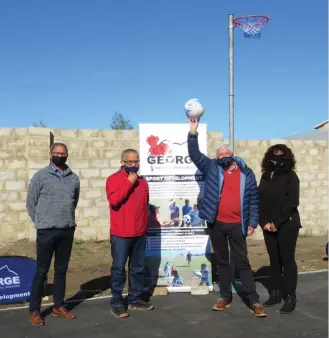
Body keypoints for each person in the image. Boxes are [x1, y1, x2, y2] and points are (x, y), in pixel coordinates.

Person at [187, 118, 266, 317]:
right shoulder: (212, 168)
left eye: (226, 154)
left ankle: (254, 301)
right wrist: (193, 131)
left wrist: (252, 223)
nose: (223, 156)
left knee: (243, 262)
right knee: (222, 262)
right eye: (220, 154)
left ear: (232, 155)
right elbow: (194, 154)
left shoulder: (246, 174)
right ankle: (225, 296)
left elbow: (254, 201)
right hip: (218, 225)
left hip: (238, 225)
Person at [26, 142, 80, 326]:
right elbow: (30, 202)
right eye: (56, 152)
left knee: (61, 270)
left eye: (63, 153)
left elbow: (74, 201)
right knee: (41, 271)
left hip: (66, 230)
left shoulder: (74, 178)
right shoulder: (40, 176)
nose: (59, 155)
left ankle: (58, 306)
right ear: (50, 154)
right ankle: (34, 310)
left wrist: (65, 219)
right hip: (46, 231)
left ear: (67, 155)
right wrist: (41, 222)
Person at [106, 149, 154, 319]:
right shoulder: (113, 179)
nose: (134, 165)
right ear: (122, 163)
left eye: (136, 162)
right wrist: (128, 183)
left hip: (139, 233)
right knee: (119, 269)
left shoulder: (143, 183)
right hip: (120, 234)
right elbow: (114, 200)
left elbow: (144, 206)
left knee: (137, 269)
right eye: (130, 162)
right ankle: (117, 303)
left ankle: (135, 299)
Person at [258, 144, 301, 314]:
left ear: (287, 157)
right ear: (269, 157)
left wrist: (277, 221)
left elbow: (292, 202)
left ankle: (290, 297)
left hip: (287, 224)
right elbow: (259, 200)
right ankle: (275, 294)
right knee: (274, 261)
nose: (277, 157)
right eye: (274, 154)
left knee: (287, 260)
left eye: (281, 154)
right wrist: (264, 222)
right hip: (268, 226)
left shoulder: (291, 176)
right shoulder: (265, 176)